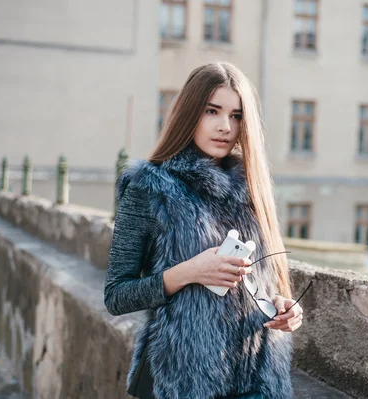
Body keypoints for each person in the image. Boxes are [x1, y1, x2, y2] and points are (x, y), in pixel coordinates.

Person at [104, 62, 305, 399]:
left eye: (237, 115)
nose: (225, 126)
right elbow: (116, 295)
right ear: (189, 113)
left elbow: (257, 285)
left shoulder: (251, 188)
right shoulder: (149, 186)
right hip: (186, 385)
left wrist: (282, 309)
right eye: (212, 111)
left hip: (258, 381)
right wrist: (187, 272)